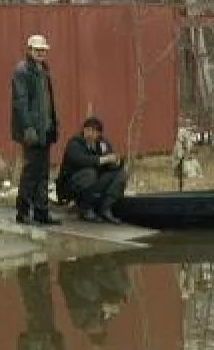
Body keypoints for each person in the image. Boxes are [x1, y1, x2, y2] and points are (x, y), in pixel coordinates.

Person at [11, 34, 61, 226]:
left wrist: (54, 123)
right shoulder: (22, 71)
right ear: (29, 50)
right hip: (32, 131)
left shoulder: (44, 70)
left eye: (43, 50)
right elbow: (20, 103)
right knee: (31, 172)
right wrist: (28, 127)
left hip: (45, 128)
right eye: (37, 50)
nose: (41, 53)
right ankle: (22, 212)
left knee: (43, 173)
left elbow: (48, 102)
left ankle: (41, 212)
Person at [56, 116, 129, 224]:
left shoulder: (103, 144)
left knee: (120, 174)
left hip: (94, 183)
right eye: (87, 130)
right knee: (89, 173)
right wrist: (102, 159)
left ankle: (105, 208)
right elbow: (81, 160)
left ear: (99, 133)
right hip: (72, 184)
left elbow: (109, 164)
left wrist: (117, 162)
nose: (89, 133)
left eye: (93, 131)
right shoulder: (75, 143)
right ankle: (85, 209)